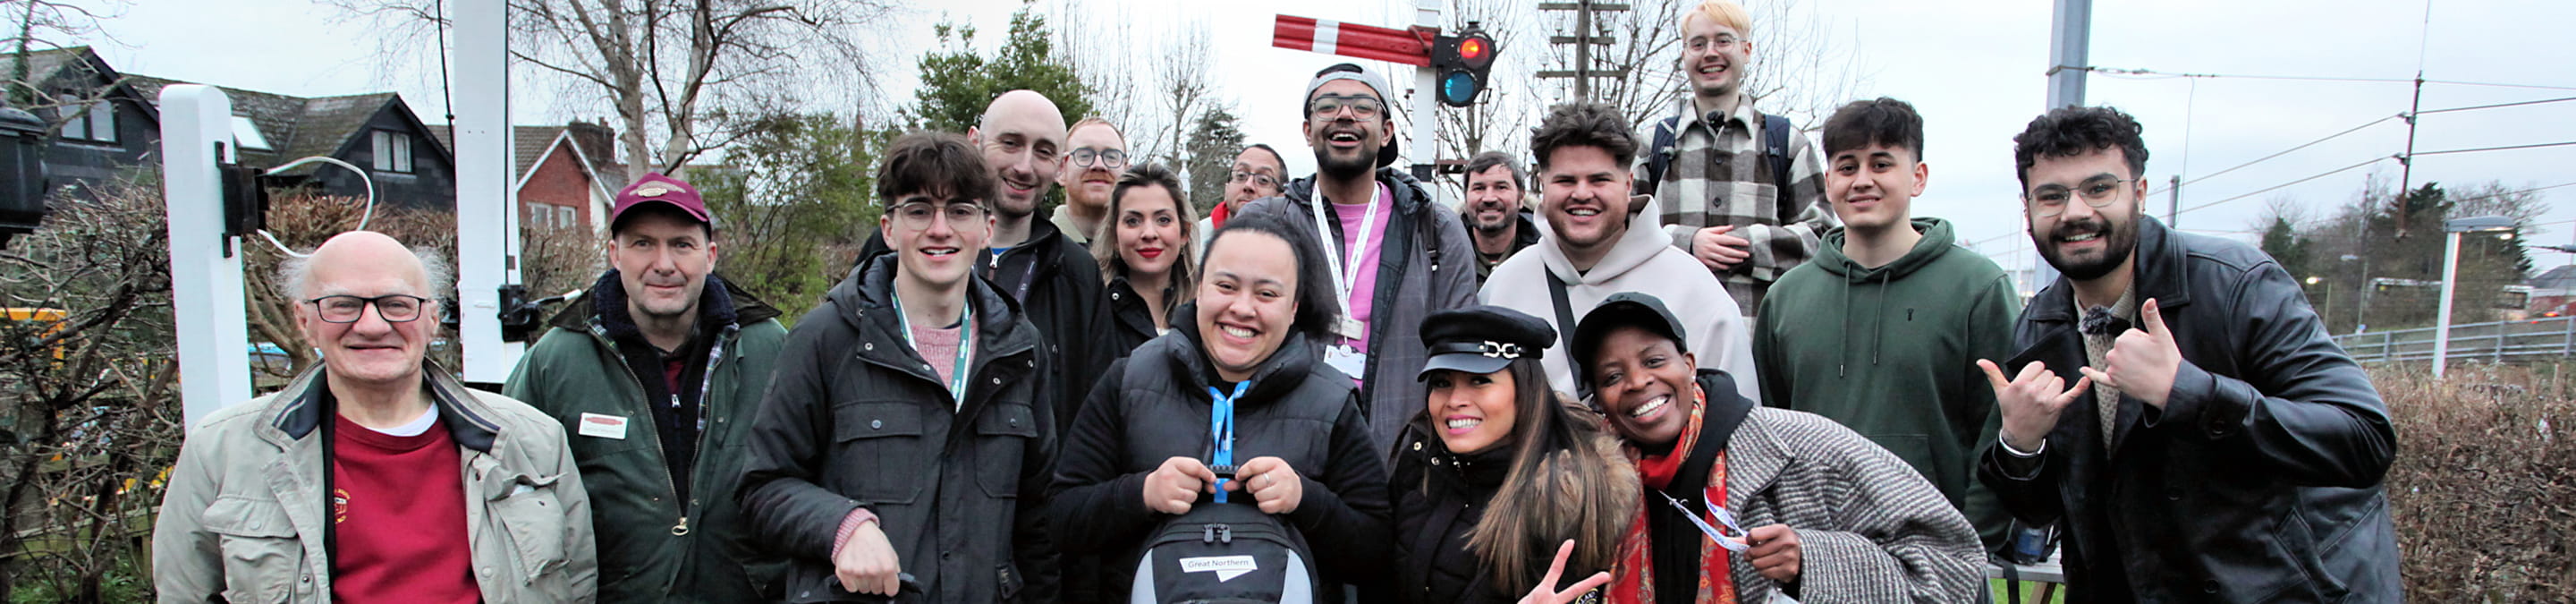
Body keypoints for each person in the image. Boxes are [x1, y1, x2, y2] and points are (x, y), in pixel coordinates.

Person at [1979, 106, 2399, 602]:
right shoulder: (2039, 326)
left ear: (2138, 194)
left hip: (2283, 591)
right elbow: (2043, 509)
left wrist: (2188, 392)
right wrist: (2020, 446)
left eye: (2099, 189)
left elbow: (2363, 441)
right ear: (2028, 212)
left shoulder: (2235, 285)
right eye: (2052, 196)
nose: (2075, 212)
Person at [155, 231, 597, 602]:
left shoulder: (533, 441)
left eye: (398, 304)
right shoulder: (223, 449)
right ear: (303, 320)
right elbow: (184, 593)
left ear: (432, 319)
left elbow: (578, 585)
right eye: (342, 304)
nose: (371, 325)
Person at [736, 132, 1058, 601]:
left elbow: (1037, 520)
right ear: (889, 228)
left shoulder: (1018, 348)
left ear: (987, 228)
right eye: (919, 210)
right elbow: (760, 489)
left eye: (961, 211)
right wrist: (843, 525)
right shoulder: (826, 338)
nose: (940, 229)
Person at [1048, 213, 1394, 600]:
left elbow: (1375, 550)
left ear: (1294, 307)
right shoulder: (1129, 379)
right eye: (1226, 286)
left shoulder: (1332, 400)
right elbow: (1062, 518)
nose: (1242, 309)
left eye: (1267, 294)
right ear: (1199, 287)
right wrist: (1142, 493)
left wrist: (1305, 500)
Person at [1573, 293, 1982, 603]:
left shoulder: (1805, 447)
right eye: (1612, 377)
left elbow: (1957, 566)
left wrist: (1811, 561)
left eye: (1655, 361)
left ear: (1690, 365)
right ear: (1600, 400)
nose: (1637, 382)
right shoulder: (1586, 484)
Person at [504, 173, 788, 601]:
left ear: (709, 255)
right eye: (643, 243)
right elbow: (506, 487)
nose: (664, 264)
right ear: (614, 254)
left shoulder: (771, 347)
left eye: (681, 244)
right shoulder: (555, 361)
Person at [1750, 98, 2014, 552]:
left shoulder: (1977, 289)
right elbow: (1768, 436)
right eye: (1847, 166)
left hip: (1936, 560)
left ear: (1918, 177)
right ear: (1829, 180)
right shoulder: (1786, 299)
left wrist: (1971, 544)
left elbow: (1999, 429)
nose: (1863, 180)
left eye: (1882, 164)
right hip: (1816, 559)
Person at [1237, 63, 1483, 451]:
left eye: (1363, 106)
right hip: (1285, 463)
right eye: (1327, 105)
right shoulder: (1265, 223)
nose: (1345, 115)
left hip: (1403, 462)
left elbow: (1460, 354)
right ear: (1307, 129)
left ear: (1386, 131)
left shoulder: (1434, 228)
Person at [1480, 101, 1758, 404]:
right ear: (1542, 184)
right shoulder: (1503, 288)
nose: (1583, 193)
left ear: (1628, 184)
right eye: (1566, 180)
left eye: (1599, 179)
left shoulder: (1697, 292)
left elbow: (1735, 430)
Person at [860, 89, 1106, 428]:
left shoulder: (1077, 272)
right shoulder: (898, 249)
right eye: (1010, 144)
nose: (1024, 166)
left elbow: (1093, 409)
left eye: (1043, 152)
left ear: (1061, 165)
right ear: (975, 141)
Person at [1390, 306, 1635, 603]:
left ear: (1525, 390)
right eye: (1442, 383)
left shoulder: (1568, 497)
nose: (1455, 400)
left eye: (1480, 381)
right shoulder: (1421, 462)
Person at [1634, 0, 1836, 316]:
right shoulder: (1652, 145)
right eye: (1698, 44)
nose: (1710, 53)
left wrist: (1747, 244)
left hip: (1758, 347)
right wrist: (1686, 242)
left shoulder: (1785, 143)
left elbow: (1822, 236)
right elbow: (1622, 229)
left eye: (1723, 40)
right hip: (1667, 347)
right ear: (1684, 56)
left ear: (1746, 50)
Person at [1090, 162, 1200, 362]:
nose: (1149, 233)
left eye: (1163, 220)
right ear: (1114, 235)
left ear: (1184, 232)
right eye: (1133, 221)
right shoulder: (1092, 307)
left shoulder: (1207, 308)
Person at [1461, 151, 1542, 284]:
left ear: (1521, 197)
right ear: (1466, 197)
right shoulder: (1441, 257)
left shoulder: (1549, 257)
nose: (1489, 198)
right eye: (1479, 188)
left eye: (1501, 187)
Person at [1196, 143, 1289, 251]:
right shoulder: (1195, 241)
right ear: (1227, 188)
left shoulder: (1293, 249)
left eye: (1263, 180)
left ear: (1281, 197)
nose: (1248, 185)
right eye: (1241, 176)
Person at [1055, 116, 1130, 246]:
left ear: (1127, 172)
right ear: (1061, 170)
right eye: (1085, 155)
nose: (1099, 165)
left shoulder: (1144, 254)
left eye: (1111, 156)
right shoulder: (1034, 251)